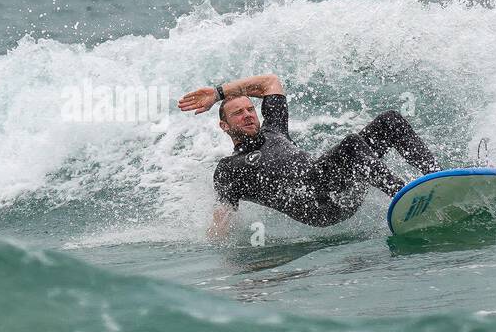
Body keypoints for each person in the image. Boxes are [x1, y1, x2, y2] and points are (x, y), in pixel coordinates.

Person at [178, 74, 440, 240]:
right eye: (238, 113)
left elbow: (270, 82)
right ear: (224, 126)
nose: (248, 115)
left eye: (250, 109)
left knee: (389, 121)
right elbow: (222, 220)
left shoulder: (274, 130)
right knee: (350, 144)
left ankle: (438, 180)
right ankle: (406, 198)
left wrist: (219, 93)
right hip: (316, 205)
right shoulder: (229, 169)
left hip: (339, 186)